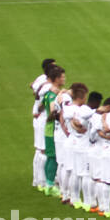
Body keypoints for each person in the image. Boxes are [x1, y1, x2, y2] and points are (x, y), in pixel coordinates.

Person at [38, 64, 66, 198]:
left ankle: (48, 184)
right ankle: (50, 186)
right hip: (52, 131)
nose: (64, 79)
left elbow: (39, 108)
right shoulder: (51, 95)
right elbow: (52, 113)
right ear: (56, 79)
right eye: (62, 77)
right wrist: (57, 107)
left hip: (50, 130)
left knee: (51, 157)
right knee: (53, 157)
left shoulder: (51, 93)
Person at [31, 58, 55, 190]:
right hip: (43, 119)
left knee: (40, 150)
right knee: (43, 150)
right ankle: (41, 181)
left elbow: (32, 86)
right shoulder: (47, 87)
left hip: (39, 117)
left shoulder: (41, 79)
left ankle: (38, 179)